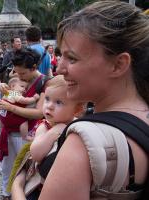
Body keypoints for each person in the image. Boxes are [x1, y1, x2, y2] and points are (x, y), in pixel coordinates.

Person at [38, 1, 149, 199]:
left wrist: (18, 188)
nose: (60, 69)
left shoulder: (83, 144)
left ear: (118, 65)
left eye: (72, 58)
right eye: (60, 56)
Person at [10, 75, 84, 200]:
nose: (49, 106)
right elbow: (36, 153)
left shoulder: (78, 127)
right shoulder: (45, 126)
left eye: (58, 102)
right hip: (40, 185)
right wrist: (54, 131)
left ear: (76, 110)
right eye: (47, 99)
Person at [0, 48, 49, 199]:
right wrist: (4, 89)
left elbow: (39, 112)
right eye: (16, 72)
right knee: (7, 167)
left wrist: (10, 107)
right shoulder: (23, 78)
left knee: (24, 169)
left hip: (28, 135)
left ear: (34, 68)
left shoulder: (44, 83)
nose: (19, 76)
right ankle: (7, 194)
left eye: (22, 73)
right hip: (9, 132)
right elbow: (15, 95)